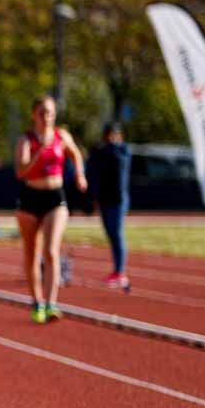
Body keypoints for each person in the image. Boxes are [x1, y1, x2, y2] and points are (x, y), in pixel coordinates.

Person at [14, 95, 86, 324]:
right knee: (31, 252)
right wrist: (39, 152)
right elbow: (21, 171)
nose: (47, 117)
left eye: (50, 113)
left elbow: (75, 153)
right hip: (29, 198)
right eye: (42, 112)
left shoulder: (61, 136)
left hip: (55, 197)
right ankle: (36, 302)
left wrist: (79, 174)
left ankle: (52, 303)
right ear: (33, 115)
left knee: (52, 251)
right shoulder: (25, 140)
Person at [89, 122, 131, 289]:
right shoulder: (101, 152)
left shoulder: (123, 151)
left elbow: (120, 163)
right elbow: (94, 170)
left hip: (118, 200)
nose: (110, 138)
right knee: (111, 235)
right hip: (104, 199)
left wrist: (112, 147)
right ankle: (117, 270)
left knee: (116, 233)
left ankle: (120, 271)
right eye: (107, 135)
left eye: (113, 135)